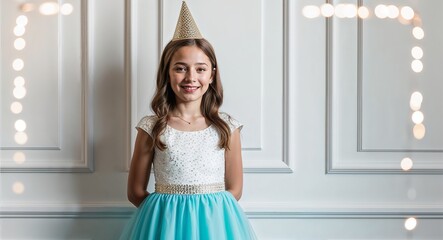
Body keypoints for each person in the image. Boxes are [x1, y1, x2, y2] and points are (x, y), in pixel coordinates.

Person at [119, 2, 257, 239]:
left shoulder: (226, 127)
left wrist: (204, 217)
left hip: (213, 226)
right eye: (180, 68)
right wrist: (165, 215)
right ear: (167, 73)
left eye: (200, 69)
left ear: (212, 75)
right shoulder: (152, 127)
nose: (191, 77)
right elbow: (135, 192)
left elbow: (235, 190)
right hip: (166, 226)